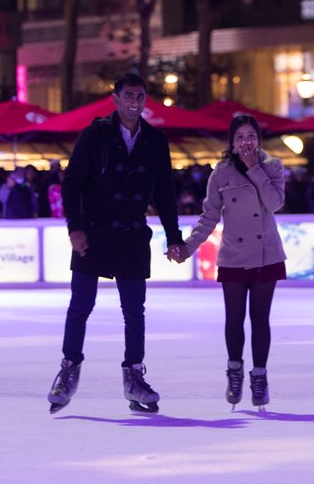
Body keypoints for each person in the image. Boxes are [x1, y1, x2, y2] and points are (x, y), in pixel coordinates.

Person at [46, 72, 184, 415]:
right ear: (116, 99)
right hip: (94, 233)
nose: (134, 103)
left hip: (133, 235)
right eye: (129, 96)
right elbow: (72, 183)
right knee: (81, 305)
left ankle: (134, 377)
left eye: (140, 97)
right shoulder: (96, 135)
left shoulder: (155, 140)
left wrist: (174, 237)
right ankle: (68, 371)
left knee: (134, 312)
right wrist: (75, 228)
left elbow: (165, 193)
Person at [179, 114, 286, 409]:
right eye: (239, 137)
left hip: (267, 255)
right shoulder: (221, 174)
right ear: (232, 142)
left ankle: (260, 377)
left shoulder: (272, 166)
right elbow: (209, 216)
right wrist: (188, 247)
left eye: (250, 136)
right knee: (234, 319)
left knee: (260, 319)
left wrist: (255, 169)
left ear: (258, 139)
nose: (246, 142)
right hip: (234, 256)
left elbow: (275, 203)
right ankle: (235, 371)